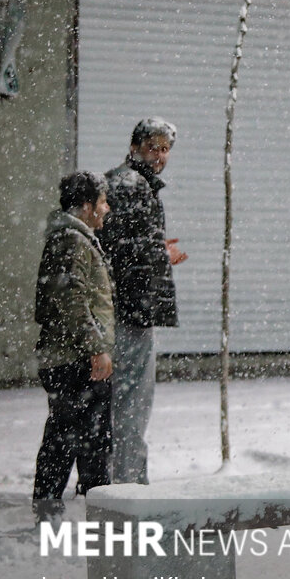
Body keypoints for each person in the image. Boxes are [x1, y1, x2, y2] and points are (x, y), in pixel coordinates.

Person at [98, 118, 186, 485]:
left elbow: (123, 245)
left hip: (125, 308)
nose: (160, 156)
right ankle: (129, 483)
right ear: (135, 147)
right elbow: (119, 251)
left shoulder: (127, 183)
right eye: (153, 147)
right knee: (132, 400)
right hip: (129, 311)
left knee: (117, 400)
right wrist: (157, 256)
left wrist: (156, 250)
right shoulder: (130, 186)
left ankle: (107, 481)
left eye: (165, 149)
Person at [33, 171, 115, 524]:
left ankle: (87, 510)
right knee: (76, 439)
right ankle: (64, 513)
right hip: (75, 359)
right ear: (85, 207)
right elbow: (71, 298)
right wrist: (96, 348)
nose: (106, 209)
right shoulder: (72, 241)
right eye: (101, 202)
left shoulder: (75, 238)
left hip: (72, 356)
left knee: (80, 439)